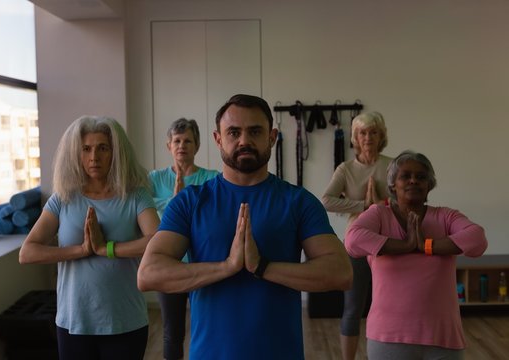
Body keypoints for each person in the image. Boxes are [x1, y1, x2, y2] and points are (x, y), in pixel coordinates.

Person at [137, 94, 353, 360]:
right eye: (233, 132)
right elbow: (148, 274)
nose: (244, 141)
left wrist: (262, 267)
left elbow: (341, 272)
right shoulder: (190, 202)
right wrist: (227, 266)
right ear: (218, 139)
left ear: (272, 137)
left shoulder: (298, 201)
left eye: (254, 131)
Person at [19, 116, 160, 360]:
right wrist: (82, 250)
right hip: (74, 321)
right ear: (77, 153)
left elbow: (157, 240)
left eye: (102, 148)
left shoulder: (135, 195)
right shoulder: (63, 198)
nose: (94, 156)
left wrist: (108, 248)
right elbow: (27, 252)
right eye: (86, 149)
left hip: (125, 320)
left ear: (116, 152)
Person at [345, 150, 488, 360]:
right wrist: (406, 245)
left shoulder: (445, 216)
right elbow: (352, 241)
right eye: (406, 176)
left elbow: (477, 241)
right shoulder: (379, 215)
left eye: (421, 177)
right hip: (388, 337)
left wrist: (427, 246)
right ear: (392, 184)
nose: (414, 180)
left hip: (443, 338)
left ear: (429, 185)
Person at [321, 111, 391, 360]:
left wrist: (381, 204)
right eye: (362, 132)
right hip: (358, 243)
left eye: (373, 132)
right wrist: (363, 206)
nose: (368, 137)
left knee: (389, 307)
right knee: (353, 308)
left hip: (390, 243)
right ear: (355, 137)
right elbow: (326, 200)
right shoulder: (346, 169)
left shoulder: (392, 165)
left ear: (381, 135)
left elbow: (405, 201)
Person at [149, 118, 219, 360]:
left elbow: (215, 217)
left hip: (203, 264)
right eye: (177, 141)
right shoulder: (154, 180)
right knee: (172, 333)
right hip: (169, 265)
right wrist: (177, 201)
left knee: (210, 329)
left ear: (197, 145)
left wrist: (175, 204)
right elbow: (148, 218)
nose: (182, 145)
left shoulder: (212, 178)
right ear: (169, 145)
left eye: (188, 140)